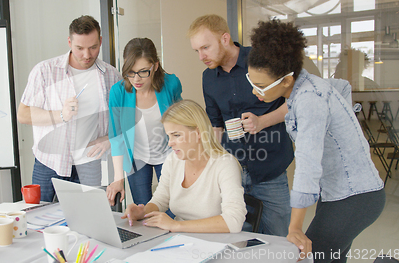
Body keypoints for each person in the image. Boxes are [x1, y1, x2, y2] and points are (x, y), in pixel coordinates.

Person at [246, 19, 385, 262]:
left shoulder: (310, 99)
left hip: (354, 196)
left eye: (260, 86)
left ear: (286, 80)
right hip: (337, 192)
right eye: (251, 82)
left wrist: (295, 227)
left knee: (307, 257)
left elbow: (307, 167)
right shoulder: (308, 84)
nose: (254, 92)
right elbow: (341, 87)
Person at [188, 14, 294, 236]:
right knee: (240, 243)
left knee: (279, 243)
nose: (201, 56)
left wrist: (262, 121)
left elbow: (294, 103)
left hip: (270, 171)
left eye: (205, 47)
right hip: (233, 173)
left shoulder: (262, 59)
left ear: (225, 38)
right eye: (196, 51)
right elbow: (216, 126)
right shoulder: (208, 78)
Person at [17, 15, 121, 202]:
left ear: (101, 41)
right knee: (40, 220)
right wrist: (60, 115)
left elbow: (122, 120)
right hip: (49, 162)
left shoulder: (111, 75)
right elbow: (23, 114)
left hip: (89, 163)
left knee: (89, 222)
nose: (87, 55)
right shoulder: (45, 71)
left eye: (93, 47)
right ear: (69, 42)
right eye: (79, 48)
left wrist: (109, 138)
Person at [122, 100, 246, 233]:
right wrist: (142, 212)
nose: (170, 143)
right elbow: (161, 199)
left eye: (176, 135)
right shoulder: (173, 160)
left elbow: (234, 221)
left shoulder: (224, 164)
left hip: (220, 245)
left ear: (198, 133)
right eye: (169, 136)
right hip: (184, 241)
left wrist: (176, 225)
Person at [106, 38, 182, 206]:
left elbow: (181, 123)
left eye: (143, 71)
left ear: (155, 66)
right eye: (131, 72)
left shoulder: (171, 84)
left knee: (172, 209)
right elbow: (117, 137)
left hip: (167, 154)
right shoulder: (118, 92)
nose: (136, 79)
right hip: (137, 158)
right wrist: (118, 179)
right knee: (144, 210)